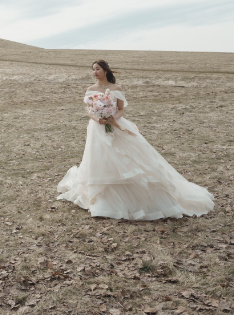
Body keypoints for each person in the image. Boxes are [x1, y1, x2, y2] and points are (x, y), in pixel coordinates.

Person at [57, 60, 214, 220]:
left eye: (97, 69)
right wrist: (98, 119)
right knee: (100, 158)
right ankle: (103, 199)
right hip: (97, 128)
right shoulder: (91, 90)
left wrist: (113, 118)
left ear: (105, 70)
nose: (94, 72)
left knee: (125, 157)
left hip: (115, 125)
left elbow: (121, 110)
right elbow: (89, 110)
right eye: (93, 70)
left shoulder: (116, 89)